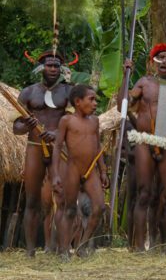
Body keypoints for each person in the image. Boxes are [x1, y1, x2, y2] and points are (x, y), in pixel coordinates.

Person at [122, 43, 166, 254]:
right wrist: (127, 76)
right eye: (160, 57)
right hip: (145, 141)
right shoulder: (144, 83)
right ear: (154, 61)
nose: (164, 61)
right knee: (144, 193)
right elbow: (122, 107)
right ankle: (138, 247)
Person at [13, 50, 76, 256]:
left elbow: (73, 123)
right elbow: (16, 128)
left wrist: (56, 132)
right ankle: (30, 251)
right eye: (49, 65)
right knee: (32, 201)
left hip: (60, 149)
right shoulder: (28, 92)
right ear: (41, 67)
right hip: (34, 147)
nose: (53, 69)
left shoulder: (69, 92)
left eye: (57, 65)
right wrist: (27, 123)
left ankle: (62, 249)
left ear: (62, 69)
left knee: (63, 198)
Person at [51, 85, 106, 258]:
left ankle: (81, 245)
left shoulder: (95, 121)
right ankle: (64, 249)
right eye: (91, 99)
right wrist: (55, 174)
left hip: (91, 171)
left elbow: (97, 147)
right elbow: (58, 146)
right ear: (77, 102)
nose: (95, 103)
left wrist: (103, 170)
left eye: (95, 99)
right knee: (69, 210)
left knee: (99, 207)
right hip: (73, 169)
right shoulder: (66, 120)